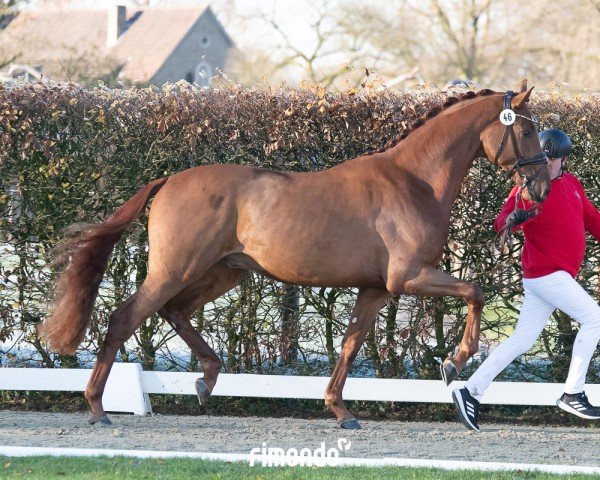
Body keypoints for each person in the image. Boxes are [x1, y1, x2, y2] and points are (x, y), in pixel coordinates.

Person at [452, 128, 600, 432]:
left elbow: (592, 220)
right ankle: (573, 393)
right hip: (547, 273)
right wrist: (513, 219)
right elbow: (501, 221)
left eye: (552, 159)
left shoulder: (572, 184)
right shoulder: (527, 188)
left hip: (551, 279)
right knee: (595, 319)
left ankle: (469, 390)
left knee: (521, 340)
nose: (546, 163)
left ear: (564, 160)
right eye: (543, 157)